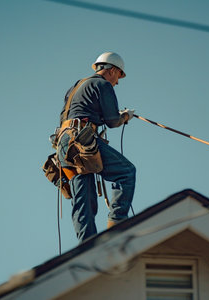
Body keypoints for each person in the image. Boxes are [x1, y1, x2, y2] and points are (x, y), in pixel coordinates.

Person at [56, 52, 136, 243]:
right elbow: (112, 121)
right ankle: (116, 225)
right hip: (81, 140)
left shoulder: (76, 86)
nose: (117, 82)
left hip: (64, 146)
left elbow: (74, 114)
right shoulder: (102, 84)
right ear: (113, 70)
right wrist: (125, 117)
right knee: (126, 172)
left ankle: (88, 247)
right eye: (118, 76)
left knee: (84, 200)